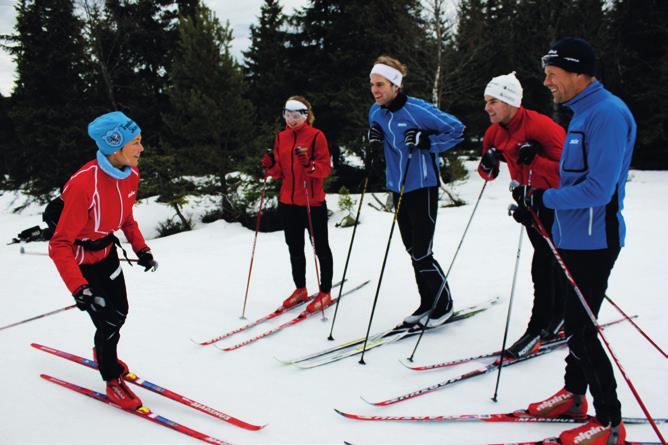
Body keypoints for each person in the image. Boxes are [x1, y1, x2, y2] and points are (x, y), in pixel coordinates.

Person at [513, 38, 636, 445]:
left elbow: (599, 189)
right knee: (573, 326)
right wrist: (536, 200)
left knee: (582, 330)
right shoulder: (581, 114)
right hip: (572, 236)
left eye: (553, 74)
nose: (546, 81)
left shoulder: (607, 115)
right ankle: (573, 396)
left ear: (579, 74)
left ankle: (609, 421)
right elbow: (573, 179)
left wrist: (544, 199)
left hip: (595, 240)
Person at [49, 111, 158, 410]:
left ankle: (103, 350)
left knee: (120, 312)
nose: (141, 148)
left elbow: (126, 217)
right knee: (108, 320)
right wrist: (78, 288)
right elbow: (59, 244)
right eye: (135, 142)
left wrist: (141, 249)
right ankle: (111, 378)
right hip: (82, 262)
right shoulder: (84, 184)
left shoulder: (131, 174)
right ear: (115, 145)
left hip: (108, 255)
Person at [367, 55, 465, 327]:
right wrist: (373, 139)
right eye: (373, 84)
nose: (375, 90)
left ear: (395, 86)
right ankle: (427, 302)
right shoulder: (376, 111)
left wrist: (427, 141)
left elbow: (457, 130)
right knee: (412, 249)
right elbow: (377, 131)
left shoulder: (417, 110)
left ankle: (443, 305)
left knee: (422, 251)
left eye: (380, 84)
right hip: (397, 188)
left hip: (422, 188)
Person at [477, 72, 566, 358]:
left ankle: (538, 329)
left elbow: (571, 171)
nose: (487, 108)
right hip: (527, 203)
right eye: (486, 101)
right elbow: (486, 174)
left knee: (544, 265)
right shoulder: (494, 131)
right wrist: (489, 162)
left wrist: (536, 160)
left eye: (493, 102)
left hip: (555, 202)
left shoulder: (542, 126)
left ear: (511, 101)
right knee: (549, 262)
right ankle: (558, 316)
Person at [261, 96, 334, 313]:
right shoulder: (281, 138)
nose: (291, 120)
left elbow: (324, 169)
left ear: (305, 115)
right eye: (287, 115)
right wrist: (270, 165)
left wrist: (309, 165)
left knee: (320, 248)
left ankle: (325, 292)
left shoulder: (316, 136)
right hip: (288, 202)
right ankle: (300, 289)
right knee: (294, 248)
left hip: (312, 202)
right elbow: (278, 173)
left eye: (296, 116)